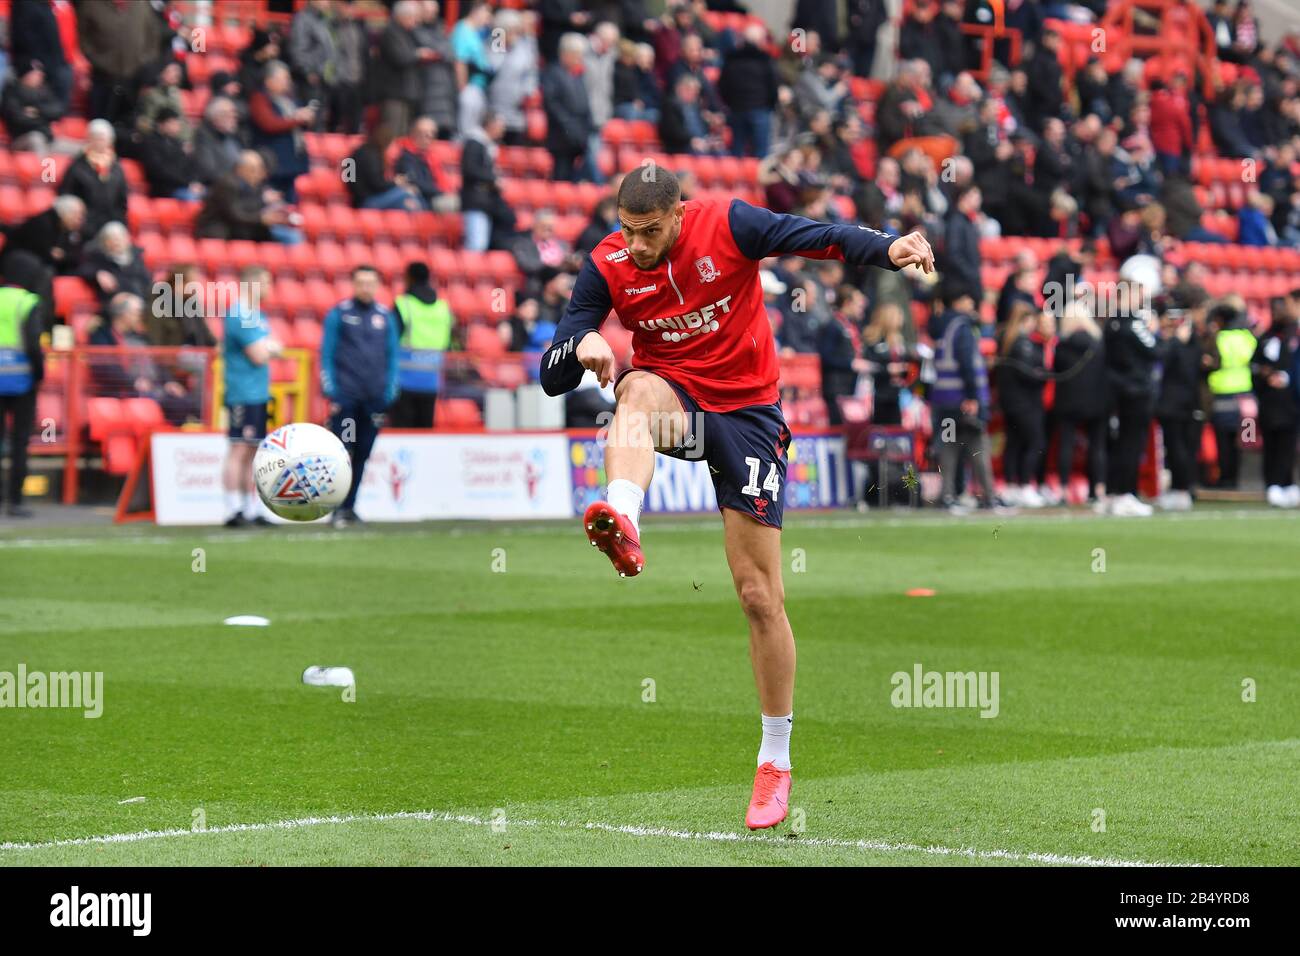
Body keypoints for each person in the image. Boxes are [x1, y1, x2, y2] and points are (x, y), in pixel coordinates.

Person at [538, 165, 934, 831]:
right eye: (628, 230)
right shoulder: (606, 263)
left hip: (749, 415)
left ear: (679, 215)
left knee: (758, 596)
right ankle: (624, 521)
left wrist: (886, 245)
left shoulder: (729, 223)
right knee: (633, 390)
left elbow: (816, 236)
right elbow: (551, 371)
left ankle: (775, 760)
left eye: (650, 230)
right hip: (678, 402)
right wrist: (582, 344)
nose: (637, 244)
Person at [322, 265, 400, 527]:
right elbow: (327, 354)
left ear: (377, 286)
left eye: (370, 283)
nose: (366, 288)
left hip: (374, 399)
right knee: (343, 453)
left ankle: (350, 507)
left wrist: (389, 390)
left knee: (363, 454)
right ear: (353, 285)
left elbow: (393, 357)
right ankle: (335, 508)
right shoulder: (340, 314)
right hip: (346, 397)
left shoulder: (385, 317)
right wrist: (332, 390)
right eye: (361, 283)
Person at [930, 282, 998, 512]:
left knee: (949, 445)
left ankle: (947, 495)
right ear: (958, 302)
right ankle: (989, 496)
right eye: (968, 300)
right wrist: (972, 397)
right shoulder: (963, 327)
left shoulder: (942, 326)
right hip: (963, 398)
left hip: (944, 399)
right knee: (978, 444)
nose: (972, 304)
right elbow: (967, 364)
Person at [221, 266, 281, 527]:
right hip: (242, 392)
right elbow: (259, 354)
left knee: (253, 449)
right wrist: (271, 348)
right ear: (254, 283)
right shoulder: (241, 314)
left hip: (256, 392)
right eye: (266, 282)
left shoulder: (256, 314)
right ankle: (233, 509)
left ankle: (252, 509)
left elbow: (270, 346)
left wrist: (270, 347)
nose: (269, 288)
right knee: (238, 448)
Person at [1103, 281, 1160, 516]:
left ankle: (1115, 493)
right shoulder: (1133, 322)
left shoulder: (1111, 322)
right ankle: (1127, 493)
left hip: (1117, 390)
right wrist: (1157, 331)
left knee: (1121, 443)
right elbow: (1154, 350)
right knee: (1132, 443)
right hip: (1136, 391)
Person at [0, 259, 46, 517]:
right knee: (19, 442)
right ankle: (15, 501)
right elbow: (33, 345)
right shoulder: (27, 302)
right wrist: (39, 374)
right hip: (21, 381)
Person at [1053, 302, 1108, 507]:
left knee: (1065, 445)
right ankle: (1098, 488)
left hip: (1068, 401)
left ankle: (1064, 489)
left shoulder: (1062, 345)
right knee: (1097, 447)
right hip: (1097, 401)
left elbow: (1057, 370)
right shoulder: (1098, 343)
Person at [997, 301, 1049, 507]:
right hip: (1025, 402)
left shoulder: (1005, 339)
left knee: (1014, 443)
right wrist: (1044, 374)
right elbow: (1031, 375)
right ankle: (1026, 485)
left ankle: (1012, 486)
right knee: (1035, 442)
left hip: (1010, 402)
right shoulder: (1022, 343)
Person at [392, 261, 453, 428]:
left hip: (403, 381)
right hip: (432, 381)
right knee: (424, 433)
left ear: (408, 278)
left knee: (402, 435)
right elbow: (449, 343)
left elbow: (389, 341)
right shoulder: (443, 308)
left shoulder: (403, 305)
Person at [1251, 295, 1300, 507]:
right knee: (1272, 443)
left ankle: (1286, 483)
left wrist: (1287, 377)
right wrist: (1265, 374)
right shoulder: (1266, 338)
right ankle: (1273, 484)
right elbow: (1254, 366)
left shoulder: (1293, 337)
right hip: (1270, 402)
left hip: (1291, 401)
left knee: (1288, 444)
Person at [1154, 302, 1202, 511]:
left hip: (1178, 404)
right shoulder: (1179, 343)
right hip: (1177, 403)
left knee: (1179, 448)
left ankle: (1182, 490)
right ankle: (1179, 488)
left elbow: (1179, 365)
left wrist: (1174, 340)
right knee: (1175, 449)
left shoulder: (1187, 345)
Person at [1205, 302, 1257, 488]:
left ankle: (1226, 478)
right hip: (1247, 394)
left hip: (1223, 394)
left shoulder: (1220, 338)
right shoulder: (1247, 337)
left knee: (1224, 440)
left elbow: (1215, 362)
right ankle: (1245, 478)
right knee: (1246, 438)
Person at [58, 120, 128, 238]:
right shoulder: (77, 165)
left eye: (103, 138)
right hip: (84, 226)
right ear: (89, 139)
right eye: (97, 138)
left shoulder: (117, 168)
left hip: (109, 224)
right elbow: (66, 195)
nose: (100, 142)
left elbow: (122, 201)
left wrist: (117, 221)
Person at [346, 124, 426, 211]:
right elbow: (377, 185)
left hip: (360, 200)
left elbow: (348, 176)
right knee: (408, 192)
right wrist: (396, 182)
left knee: (405, 205)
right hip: (367, 202)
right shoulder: (372, 155)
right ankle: (426, 213)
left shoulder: (359, 152)